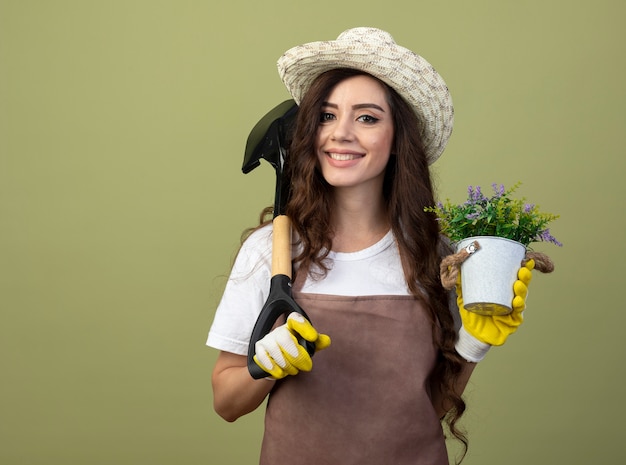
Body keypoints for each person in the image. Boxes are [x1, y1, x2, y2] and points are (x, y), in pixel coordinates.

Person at [207, 27, 534, 465]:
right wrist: (263, 366)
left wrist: (473, 344)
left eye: (366, 117)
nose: (340, 133)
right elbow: (227, 404)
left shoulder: (436, 255)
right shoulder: (274, 250)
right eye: (326, 115)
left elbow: (423, 411)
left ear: (399, 138)